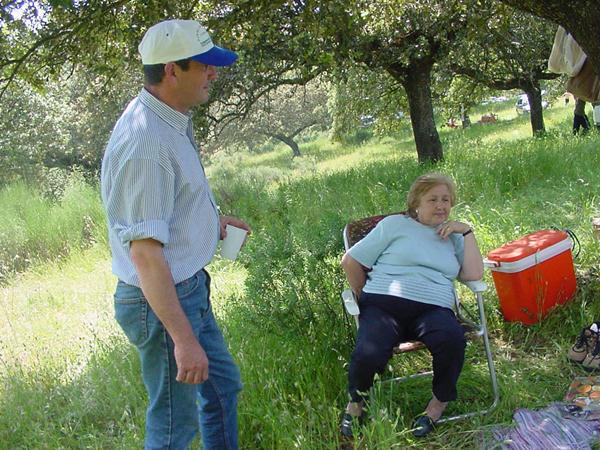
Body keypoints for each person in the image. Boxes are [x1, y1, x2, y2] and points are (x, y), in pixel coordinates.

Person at [100, 19, 250, 450]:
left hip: (189, 287)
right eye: (204, 65)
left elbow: (169, 207)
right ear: (172, 71)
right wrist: (183, 340)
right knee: (172, 428)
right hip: (164, 302)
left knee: (222, 388)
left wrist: (211, 223)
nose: (213, 74)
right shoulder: (145, 143)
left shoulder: (171, 119)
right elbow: (145, 255)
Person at [339, 173, 484, 439]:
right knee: (369, 351)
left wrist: (466, 231)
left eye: (446, 200)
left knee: (452, 340)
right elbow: (351, 261)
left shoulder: (454, 235)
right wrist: (363, 296)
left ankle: (436, 407)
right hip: (383, 306)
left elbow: (474, 274)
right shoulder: (395, 225)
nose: (440, 205)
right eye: (433, 199)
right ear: (416, 203)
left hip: (433, 309)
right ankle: (356, 405)